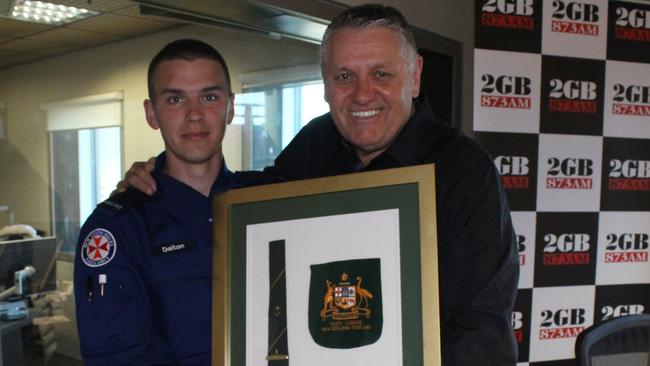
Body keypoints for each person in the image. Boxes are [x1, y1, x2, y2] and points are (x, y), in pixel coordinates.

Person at [118, 5, 519, 365]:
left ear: (413, 78)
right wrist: (160, 178)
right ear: (325, 85)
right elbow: (249, 205)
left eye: (381, 73)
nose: (362, 93)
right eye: (344, 76)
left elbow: (482, 335)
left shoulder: (463, 172)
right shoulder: (316, 145)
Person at [74, 39, 270, 365]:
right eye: (175, 99)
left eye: (209, 97)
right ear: (152, 114)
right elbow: (113, 356)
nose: (194, 115)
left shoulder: (266, 201)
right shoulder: (119, 228)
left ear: (231, 107)